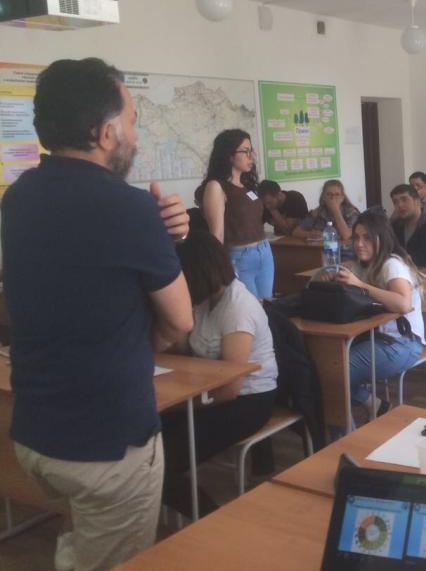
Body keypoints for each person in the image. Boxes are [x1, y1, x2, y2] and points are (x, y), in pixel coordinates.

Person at [1, 58, 193, 570]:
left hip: (37, 436)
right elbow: (180, 321)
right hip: (107, 444)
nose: (136, 134)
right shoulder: (129, 208)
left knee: (82, 540)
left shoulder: (17, 199)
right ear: (105, 133)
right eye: (132, 121)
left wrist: (162, 235)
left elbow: (83, 277)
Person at [162, 231, 278, 517]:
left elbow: (230, 389)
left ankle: (209, 517)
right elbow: (183, 352)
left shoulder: (237, 307)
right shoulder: (202, 301)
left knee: (160, 463)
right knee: (148, 436)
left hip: (248, 400)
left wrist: (181, 406)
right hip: (208, 393)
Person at [330, 211, 425, 415]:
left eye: (367, 238)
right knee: (326, 366)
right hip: (375, 339)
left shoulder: (392, 264)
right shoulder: (363, 265)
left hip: (402, 343)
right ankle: (373, 405)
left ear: (381, 238)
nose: (359, 244)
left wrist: (361, 285)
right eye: (356, 238)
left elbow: (403, 304)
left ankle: (350, 426)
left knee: (335, 373)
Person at [200, 129, 274, 299]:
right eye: (245, 151)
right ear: (229, 155)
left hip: (264, 251)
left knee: (266, 307)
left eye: (251, 151)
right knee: (249, 309)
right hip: (240, 258)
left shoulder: (247, 186)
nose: (251, 156)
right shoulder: (216, 186)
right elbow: (216, 234)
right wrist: (220, 268)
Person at [291, 179, 360, 257]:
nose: (333, 198)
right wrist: (310, 234)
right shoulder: (317, 212)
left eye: (337, 194)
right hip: (321, 253)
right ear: (324, 197)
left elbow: (346, 235)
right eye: (329, 194)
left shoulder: (351, 213)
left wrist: (335, 210)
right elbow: (295, 231)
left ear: (342, 197)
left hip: (345, 254)